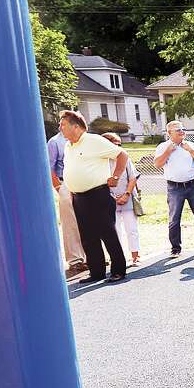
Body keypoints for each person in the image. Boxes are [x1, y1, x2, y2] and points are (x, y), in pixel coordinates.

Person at [59, 110, 128, 284]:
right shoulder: (68, 146)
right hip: (78, 197)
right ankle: (96, 272)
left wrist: (116, 176)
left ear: (76, 126)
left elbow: (122, 155)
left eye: (63, 124)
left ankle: (118, 270)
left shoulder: (94, 140)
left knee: (107, 232)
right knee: (87, 237)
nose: (60, 127)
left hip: (97, 194)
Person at [155, 120, 194, 257]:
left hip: (193, 186)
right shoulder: (163, 147)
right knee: (174, 219)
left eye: (183, 129)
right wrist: (168, 151)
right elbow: (157, 164)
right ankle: (176, 248)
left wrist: (191, 151)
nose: (182, 132)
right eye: (178, 130)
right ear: (169, 133)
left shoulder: (191, 145)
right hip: (174, 188)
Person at [47, 130, 87, 276]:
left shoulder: (83, 140)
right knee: (70, 224)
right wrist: (59, 187)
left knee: (86, 222)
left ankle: (89, 257)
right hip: (65, 184)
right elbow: (49, 167)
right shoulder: (55, 142)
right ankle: (75, 261)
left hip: (84, 184)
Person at [102, 132, 140, 266]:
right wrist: (113, 196)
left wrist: (126, 194)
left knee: (132, 229)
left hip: (127, 197)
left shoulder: (125, 158)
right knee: (116, 231)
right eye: (114, 144)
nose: (117, 147)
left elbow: (133, 177)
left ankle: (135, 256)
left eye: (119, 144)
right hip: (110, 200)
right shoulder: (101, 161)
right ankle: (118, 258)